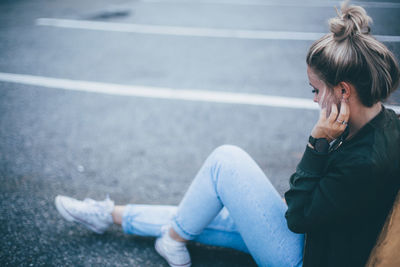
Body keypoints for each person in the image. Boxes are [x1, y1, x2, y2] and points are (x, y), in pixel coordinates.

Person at [54, 2, 400, 266]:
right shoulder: (384, 124)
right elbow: (320, 203)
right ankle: (109, 214)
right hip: (318, 238)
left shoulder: (364, 162)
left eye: (314, 89)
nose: (312, 99)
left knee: (225, 161)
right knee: (203, 214)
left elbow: (297, 217)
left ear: (343, 91)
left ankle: (163, 234)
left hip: (304, 257)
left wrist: (316, 144)